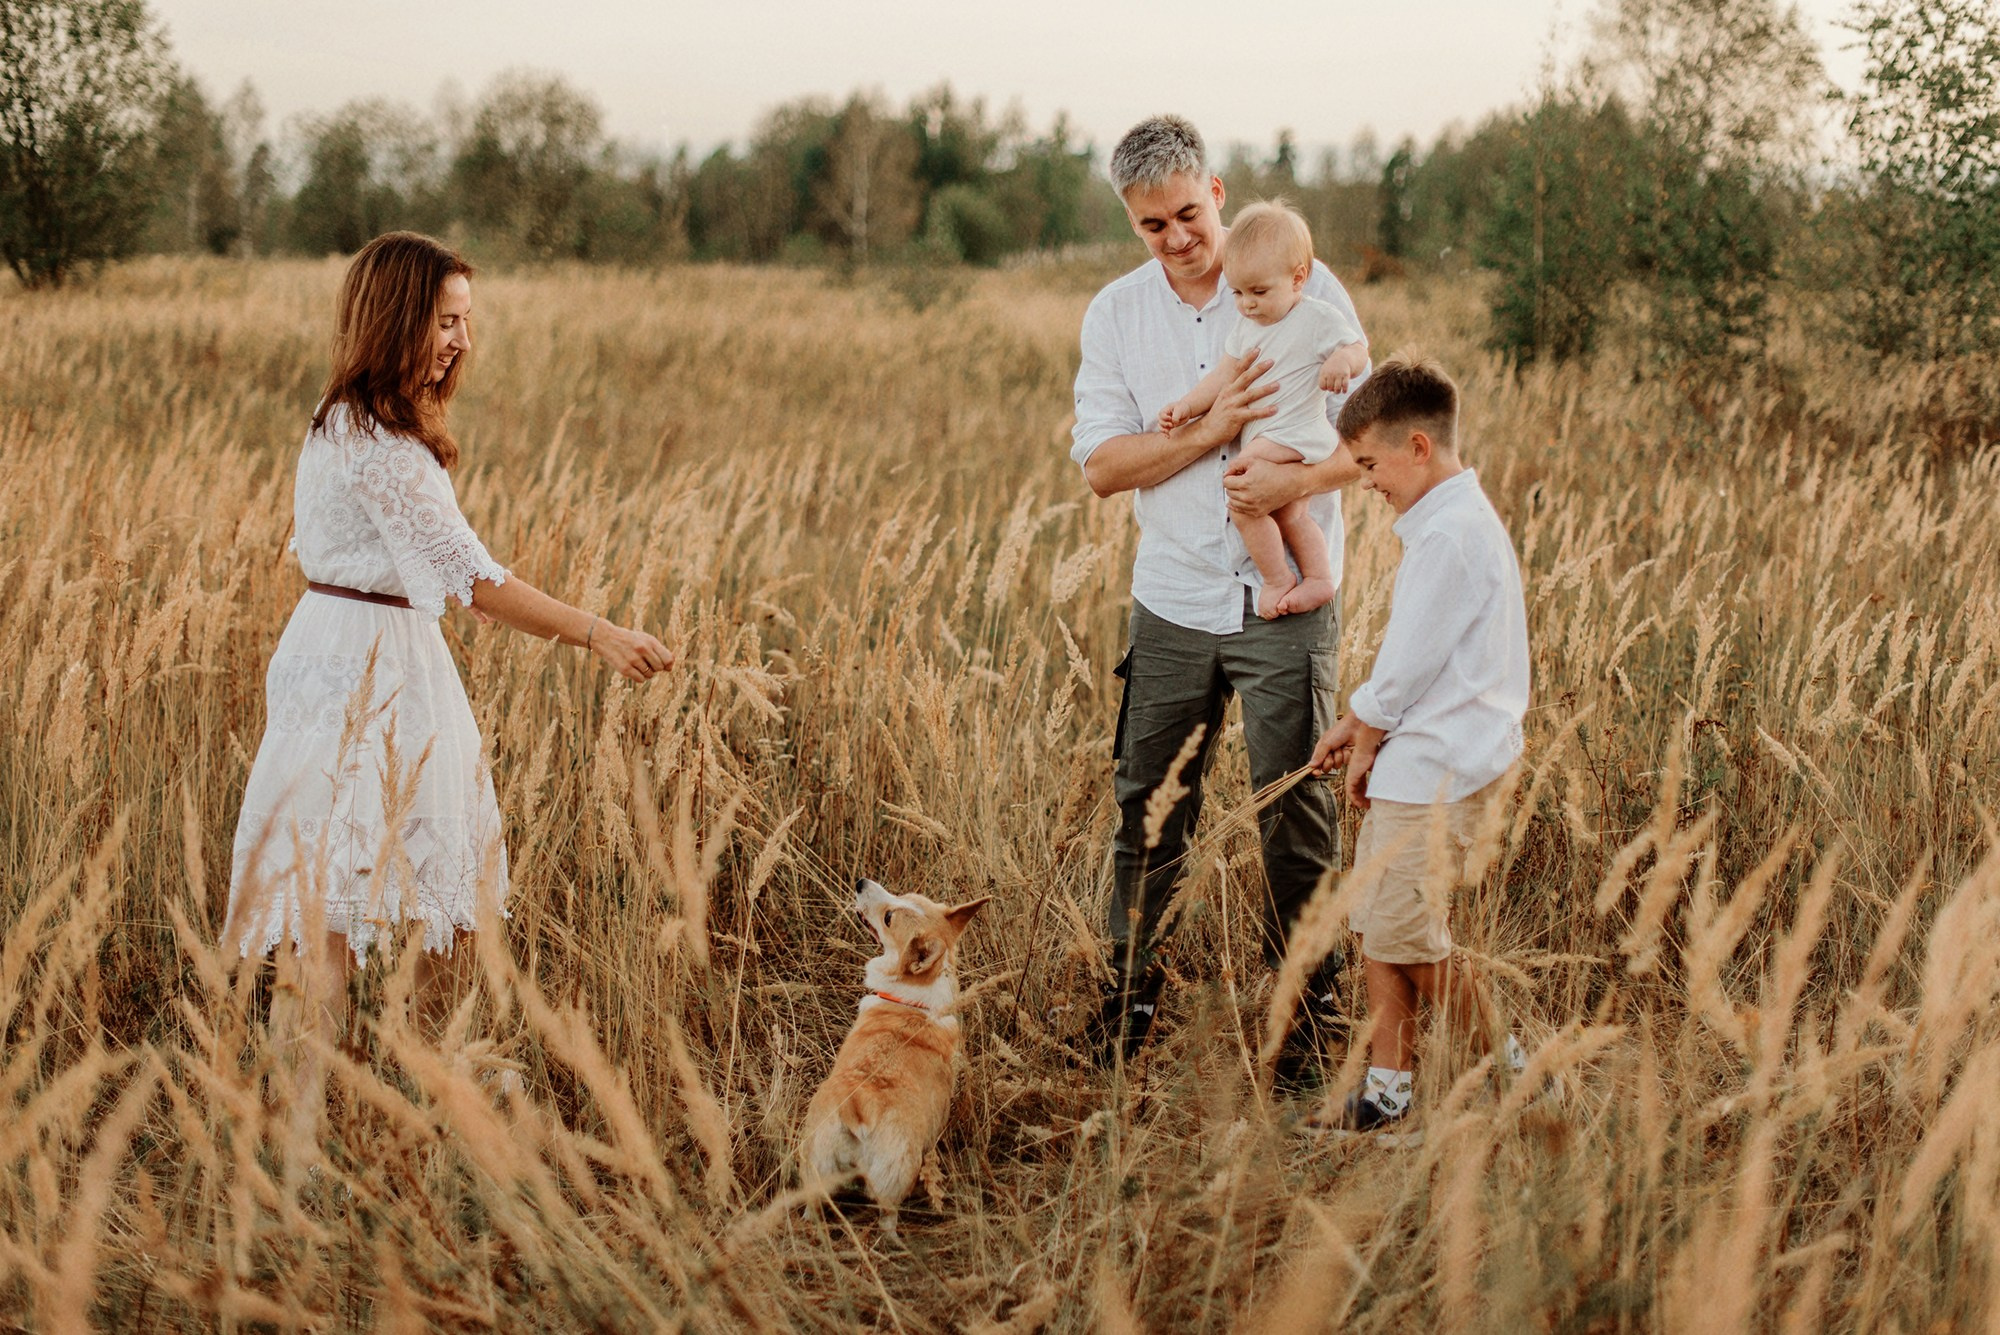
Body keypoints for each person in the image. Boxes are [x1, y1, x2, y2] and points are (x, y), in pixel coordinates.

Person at [228, 232, 671, 1090]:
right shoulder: (388, 450)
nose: (463, 341)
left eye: (467, 320)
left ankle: (327, 1116)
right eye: (445, 321)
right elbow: (477, 581)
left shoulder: (337, 420)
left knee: (333, 895)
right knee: (414, 897)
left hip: (329, 647)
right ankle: (405, 1097)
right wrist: (599, 633)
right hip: (374, 670)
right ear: (397, 320)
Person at [1069, 115, 1367, 1062]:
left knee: (1297, 815)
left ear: (1218, 194)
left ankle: (1310, 1022)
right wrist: (1209, 433)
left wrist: (1292, 486)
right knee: (1148, 807)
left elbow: (1368, 448)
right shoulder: (1117, 314)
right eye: (1152, 226)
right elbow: (1106, 467)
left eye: (1188, 214)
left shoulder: (1307, 288)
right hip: (1175, 598)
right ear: (1133, 223)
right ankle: (1129, 1011)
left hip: (1287, 605)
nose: (1178, 239)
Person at [1306, 356, 1530, 1141]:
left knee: (1410, 932)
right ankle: (1389, 1088)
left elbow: (1407, 665)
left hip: (1442, 769)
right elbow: (1408, 674)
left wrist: (1362, 721)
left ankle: (1514, 1070)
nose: (1366, 481)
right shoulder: (1445, 524)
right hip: (1415, 761)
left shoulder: (1452, 536)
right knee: (1376, 926)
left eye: (1370, 464)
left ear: (1420, 448)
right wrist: (1367, 739)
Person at [1160, 201, 1368, 621]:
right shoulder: (1247, 328)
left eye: (1259, 292)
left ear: (1297, 279)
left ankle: (1276, 579)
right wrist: (1187, 407)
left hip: (1299, 433)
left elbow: (1357, 350)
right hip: (1278, 437)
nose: (1247, 304)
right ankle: (1318, 578)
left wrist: (1339, 364)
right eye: (1237, 293)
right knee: (1292, 513)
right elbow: (1221, 377)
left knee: (1239, 485)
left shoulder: (1316, 317)